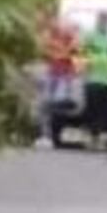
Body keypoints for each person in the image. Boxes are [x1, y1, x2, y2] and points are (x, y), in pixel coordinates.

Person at [39, 16, 80, 147]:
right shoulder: (50, 38)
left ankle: (54, 135)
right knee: (45, 104)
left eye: (63, 26)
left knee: (57, 104)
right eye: (57, 25)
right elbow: (44, 51)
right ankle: (45, 135)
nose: (60, 28)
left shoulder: (71, 38)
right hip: (52, 74)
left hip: (64, 76)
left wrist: (64, 52)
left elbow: (76, 53)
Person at [81, 12, 107, 149]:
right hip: (92, 78)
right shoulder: (90, 36)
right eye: (102, 20)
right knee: (92, 108)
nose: (104, 23)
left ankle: (98, 137)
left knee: (105, 110)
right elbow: (80, 52)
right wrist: (82, 68)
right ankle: (91, 136)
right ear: (97, 21)